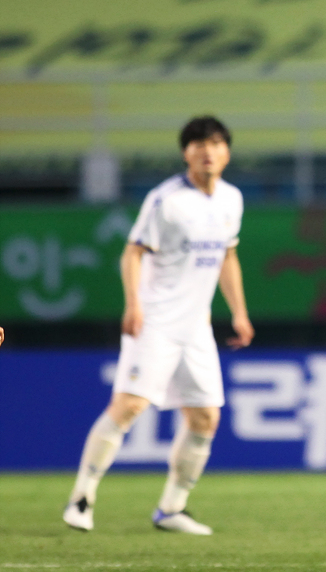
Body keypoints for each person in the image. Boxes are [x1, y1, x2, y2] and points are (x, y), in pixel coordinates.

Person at [63, 116, 254, 535]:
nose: (208, 152)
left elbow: (227, 256)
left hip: (196, 327)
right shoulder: (166, 200)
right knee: (129, 406)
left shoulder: (231, 199)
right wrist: (134, 305)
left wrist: (238, 312)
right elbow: (133, 252)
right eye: (199, 144)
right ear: (186, 153)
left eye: (216, 144)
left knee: (205, 418)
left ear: (227, 152)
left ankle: (171, 509)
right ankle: (81, 498)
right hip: (155, 322)